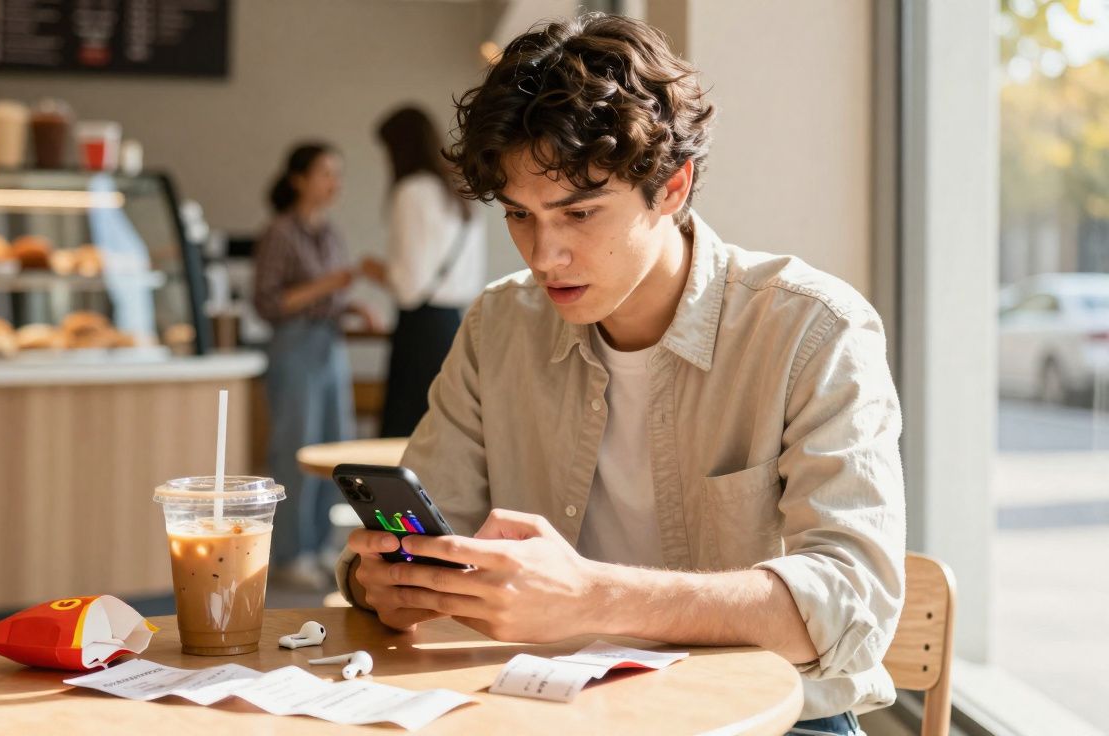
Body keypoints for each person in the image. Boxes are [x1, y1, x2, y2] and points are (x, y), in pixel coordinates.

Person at [335, 14, 904, 736]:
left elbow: (851, 605)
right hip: (546, 704)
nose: (545, 255)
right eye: (519, 215)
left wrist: (592, 596)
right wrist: (381, 582)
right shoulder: (498, 325)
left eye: (579, 213)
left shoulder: (812, 330)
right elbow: (422, 531)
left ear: (671, 187)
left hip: (770, 718)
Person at [254, 142, 378, 589]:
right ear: (298, 179)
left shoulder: (330, 233)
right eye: (325, 173)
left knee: (334, 448)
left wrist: (352, 306)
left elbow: (328, 296)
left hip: (329, 345)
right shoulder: (279, 233)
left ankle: (323, 547)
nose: (334, 183)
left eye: (337, 174)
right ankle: (290, 554)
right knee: (295, 450)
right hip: (294, 347)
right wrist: (332, 283)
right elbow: (269, 302)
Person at [360, 106, 487, 437]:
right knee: (440, 432)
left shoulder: (412, 192)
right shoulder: (457, 191)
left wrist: (375, 271)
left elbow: (409, 286)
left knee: (403, 433)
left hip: (419, 328)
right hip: (452, 325)